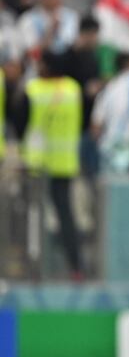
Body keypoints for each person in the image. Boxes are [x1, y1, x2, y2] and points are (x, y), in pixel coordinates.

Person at [17, 50, 84, 279]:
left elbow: (21, 125)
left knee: (29, 217)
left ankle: (28, 268)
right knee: (66, 218)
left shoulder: (34, 90)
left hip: (34, 165)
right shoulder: (73, 89)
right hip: (65, 162)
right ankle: (76, 268)